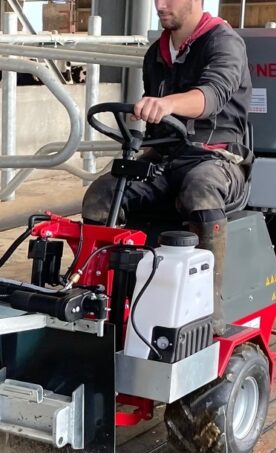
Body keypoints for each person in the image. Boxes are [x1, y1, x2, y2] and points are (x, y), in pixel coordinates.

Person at [82, 0, 252, 334]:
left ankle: (207, 308)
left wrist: (166, 104)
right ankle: (99, 296)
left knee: (200, 189)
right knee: (102, 195)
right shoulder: (156, 54)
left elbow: (211, 96)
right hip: (165, 159)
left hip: (217, 159)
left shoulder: (224, 43)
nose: (160, 5)